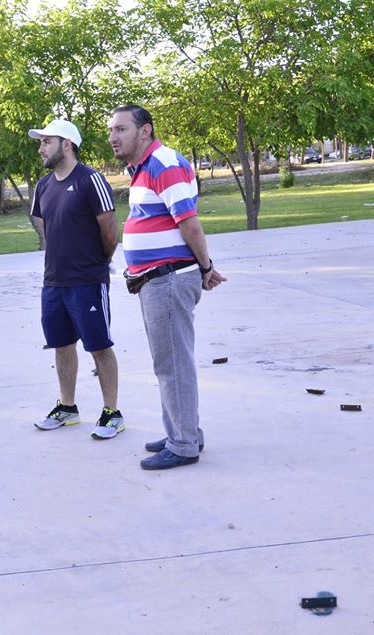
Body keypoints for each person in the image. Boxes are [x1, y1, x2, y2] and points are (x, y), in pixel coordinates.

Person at [108, 105, 227, 470]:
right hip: (156, 279)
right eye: (111, 130)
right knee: (168, 362)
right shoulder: (143, 168)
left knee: (173, 364)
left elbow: (189, 223)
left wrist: (206, 267)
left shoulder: (163, 163)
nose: (113, 137)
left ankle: (184, 444)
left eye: (121, 129)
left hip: (169, 278)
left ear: (145, 131)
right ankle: (182, 429)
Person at [28, 119, 124, 440]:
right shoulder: (43, 185)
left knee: (100, 346)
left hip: (87, 281)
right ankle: (67, 408)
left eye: (47, 142)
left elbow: (110, 231)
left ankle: (112, 412)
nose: (41, 149)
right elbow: (44, 224)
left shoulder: (90, 180)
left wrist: (97, 264)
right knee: (62, 344)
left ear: (66, 144)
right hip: (53, 282)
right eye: (40, 143)